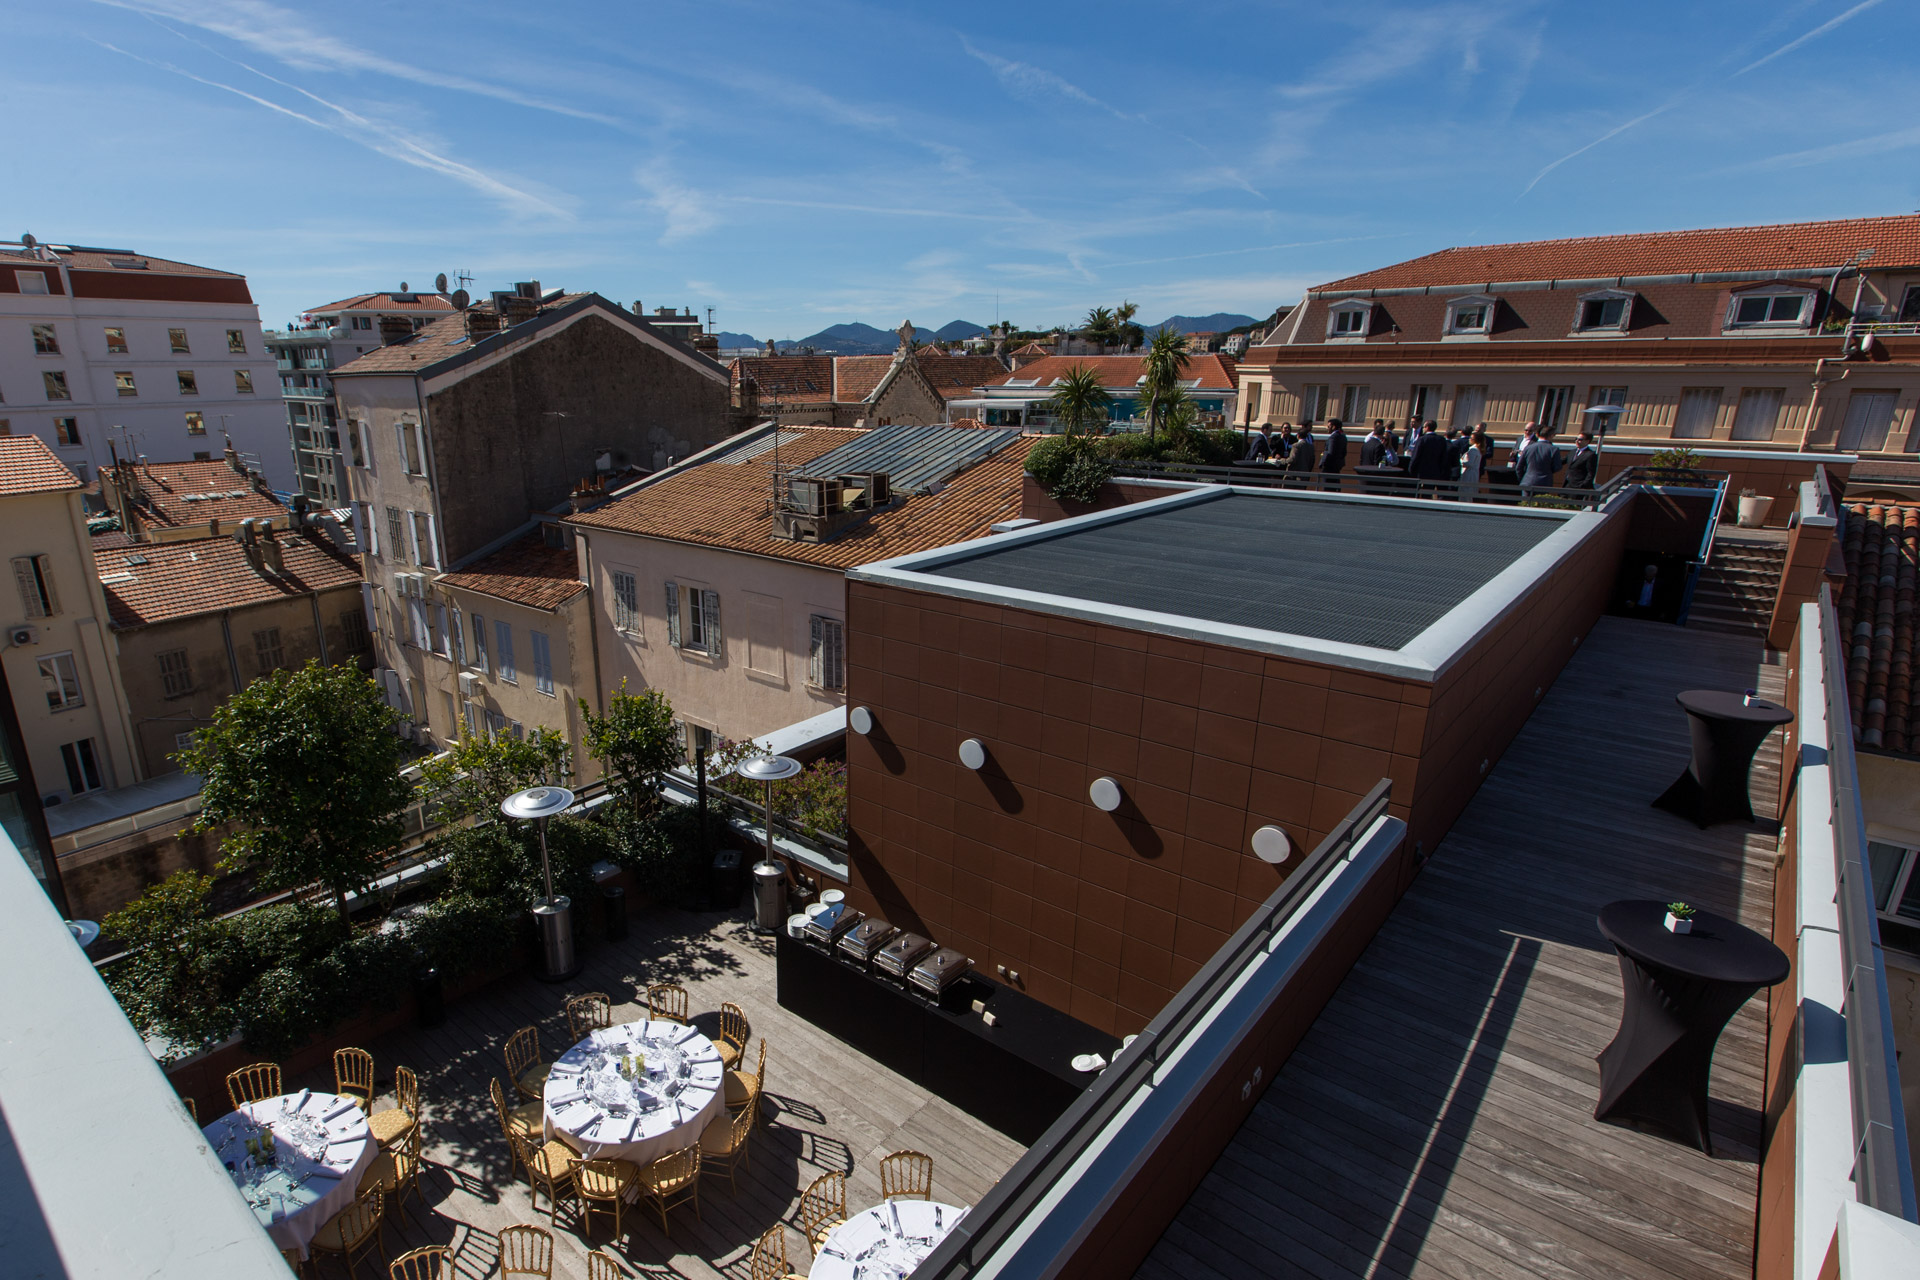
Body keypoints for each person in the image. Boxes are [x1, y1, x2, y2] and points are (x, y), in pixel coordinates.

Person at [1516, 430, 1564, 498]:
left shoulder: (1528, 448)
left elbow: (1519, 467)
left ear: (1538, 435)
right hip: (1544, 482)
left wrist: (1523, 478)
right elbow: (1557, 467)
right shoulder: (1553, 449)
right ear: (1551, 436)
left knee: (1525, 502)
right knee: (1540, 503)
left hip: (1527, 481)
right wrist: (1547, 471)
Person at [1409, 420, 1451, 494]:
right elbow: (1444, 457)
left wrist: (1411, 468)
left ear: (1427, 427)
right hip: (1435, 471)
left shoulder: (1422, 439)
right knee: (1429, 492)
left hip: (1422, 470)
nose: (1423, 429)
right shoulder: (1441, 440)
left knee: (1418, 492)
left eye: (1424, 427)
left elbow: (1416, 455)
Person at [1320, 418, 1348, 491]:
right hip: (1337, 466)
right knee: (1334, 486)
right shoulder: (1343, 436)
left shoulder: (1333, 437)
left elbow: (1330, 452)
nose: (1327, 428)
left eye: (1328, 426)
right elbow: (1344, 452)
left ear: (1333, 427)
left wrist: (1323, 457)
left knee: (1327, 488)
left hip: (1329, 467)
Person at [1456, 430, 1483, 502]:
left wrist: (1461, 460)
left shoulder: (1473, 450)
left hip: (1469, 474)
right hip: (1472, 473)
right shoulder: (1477, 449)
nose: (1469, 439)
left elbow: (1469, 463)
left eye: (1471, 438)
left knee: (1466, 492)